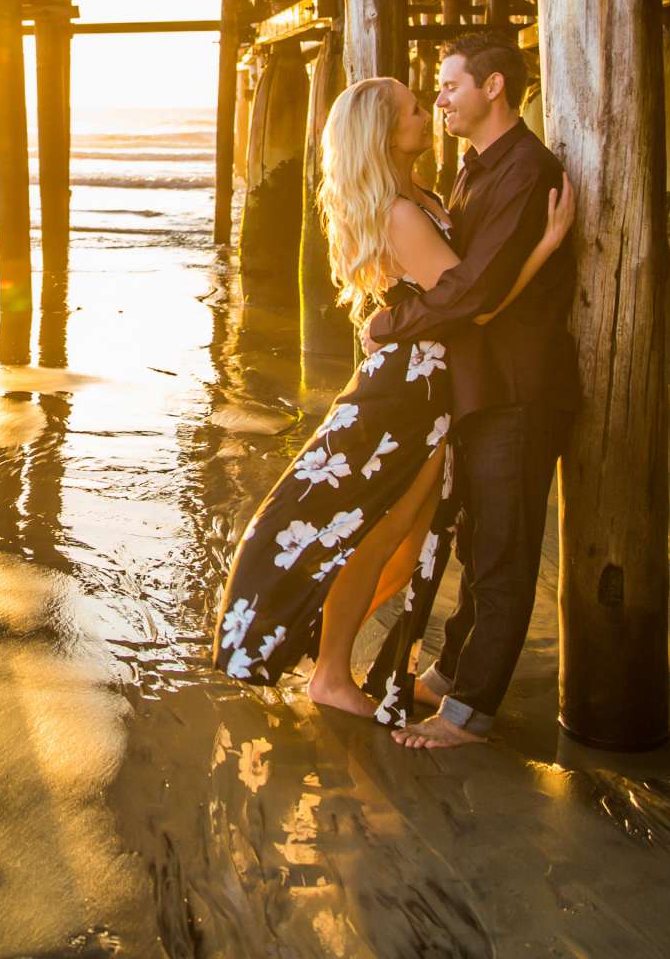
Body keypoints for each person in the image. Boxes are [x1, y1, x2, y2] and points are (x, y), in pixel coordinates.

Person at [209, 73, 571, 727]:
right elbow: (475, 308)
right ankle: (329, 672)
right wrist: (545, 248)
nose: (426, 114)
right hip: (412, 389)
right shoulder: (402, 213)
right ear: (383, 131)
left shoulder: (417, 195)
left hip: (426, 381)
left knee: (402, 538)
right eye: (411, 109)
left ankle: (325, 655)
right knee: (377, 536)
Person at [365, 33, 579, 751]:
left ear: (492, 87)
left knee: (504, 553)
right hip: (481, 385)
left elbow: (474, 289)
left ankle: (469, 715)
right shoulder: (475, 169)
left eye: (450, 86)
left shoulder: (525, 169)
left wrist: (391, 325)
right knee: (476, 540)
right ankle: (452, 674)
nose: (440, 99)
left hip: (519, 388)